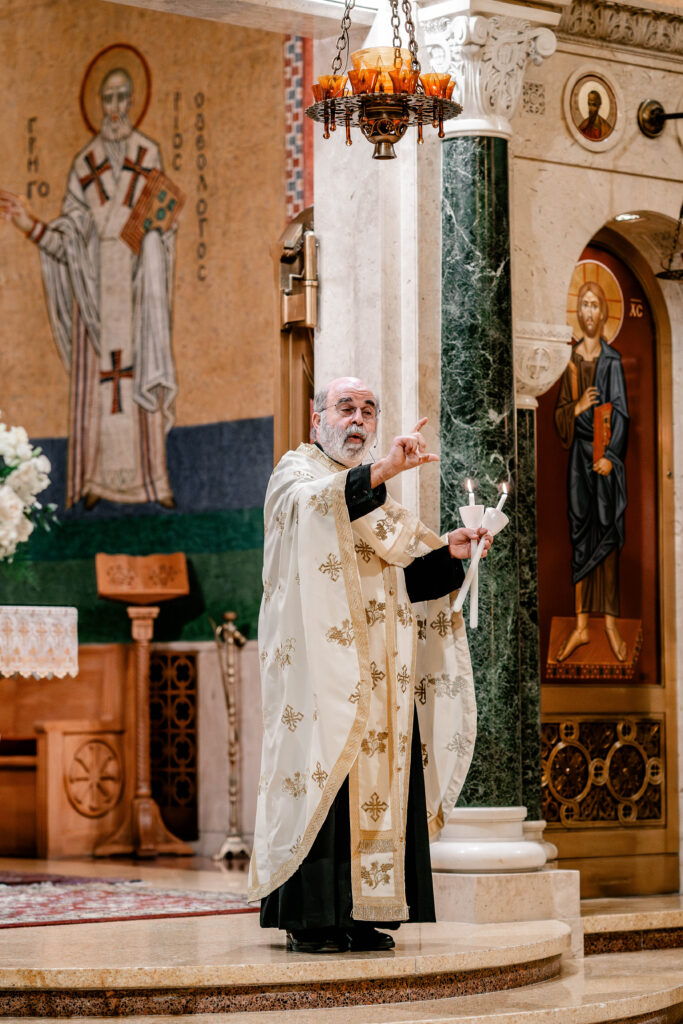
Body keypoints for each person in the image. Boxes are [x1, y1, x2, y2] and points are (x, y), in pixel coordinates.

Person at [248, 376, 491, 953]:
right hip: (321, 678)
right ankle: (314, 918)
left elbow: (405, 580)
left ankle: (362, 912)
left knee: (378, 787)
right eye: (345, 408)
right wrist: (381, 471)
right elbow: (312, 514)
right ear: (317, 419)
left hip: (383, 678)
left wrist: (449, 555)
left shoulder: (378, 500)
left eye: (368, 410)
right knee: (324, 779)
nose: (357, 420)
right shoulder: (296, 476)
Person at [0, 67, 177, 509]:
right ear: (98, 105)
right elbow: (67, 242)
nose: (115, 109)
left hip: (138, 298)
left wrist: (151, 249)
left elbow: (162, 228)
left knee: (133, 380)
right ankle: (92, 482)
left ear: (133, 102)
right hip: (94, 297)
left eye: (122, 98)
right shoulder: (85, 164)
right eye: (108, 99)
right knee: (99, 387)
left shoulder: (148, 153)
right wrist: (29, 225)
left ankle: (152, 483)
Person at [554, 282, 629, 662]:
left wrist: (611, 456)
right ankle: (582, 626)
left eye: (594, 305)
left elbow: (622, 416)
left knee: (609, 541)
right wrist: (580, 406)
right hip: (578, 464)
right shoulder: (568, 363)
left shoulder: (613, 361)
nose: (588, 312)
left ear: (603, 314)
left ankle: (611, 625)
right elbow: (560, 418)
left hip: (604, 463)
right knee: (581, 537)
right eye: (582, 305)